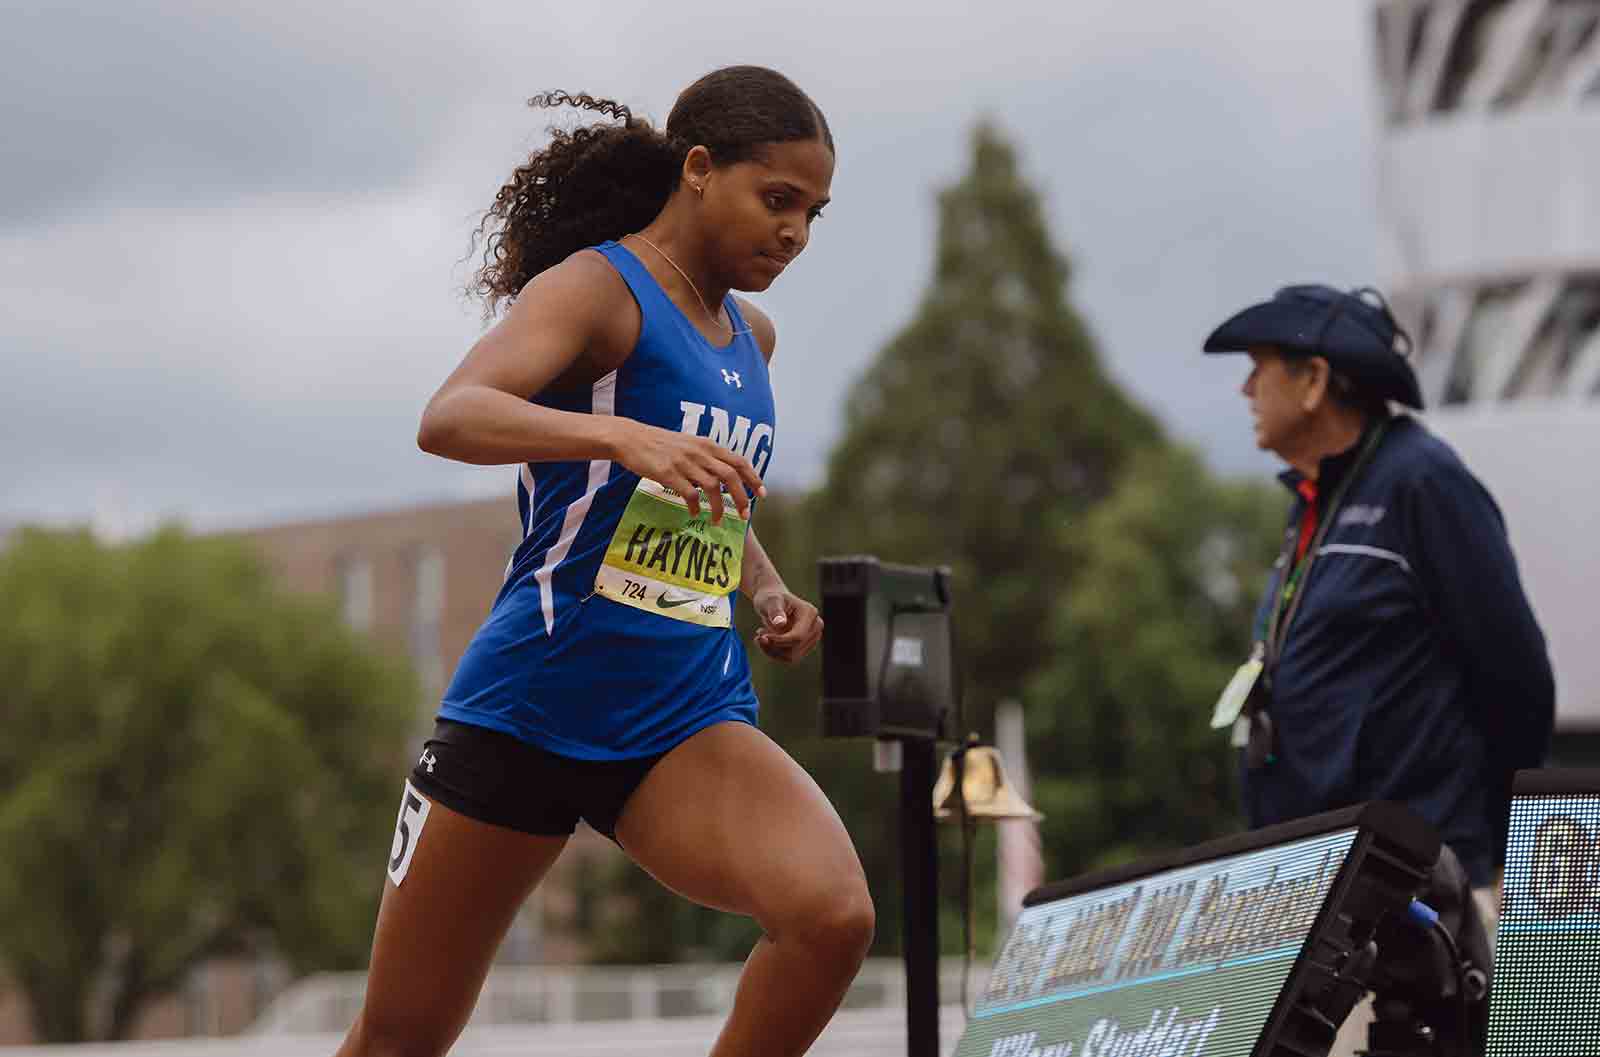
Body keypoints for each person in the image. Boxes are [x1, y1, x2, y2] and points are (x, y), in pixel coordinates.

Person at [335, 66, 871, 1057]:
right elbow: (450, 415)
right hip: (530, 707)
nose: (795, 232)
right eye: (778, 199)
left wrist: (764, 583)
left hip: (681, 717)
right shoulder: (597, 288)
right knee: (398, 1040)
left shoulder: (751, 335)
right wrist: (621, 439)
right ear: (700, 169)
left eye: (814, 213)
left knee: (831, 916)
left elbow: (705, 484)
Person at [1201, 282, 1555, 917]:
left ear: (1314, 381)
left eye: (1259, 369)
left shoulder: (1422, 480)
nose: (1245, 390)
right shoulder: (1315, 501)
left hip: (1421, 890)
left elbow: (1518, 680)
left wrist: (1487, 851)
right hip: (1325, 885)